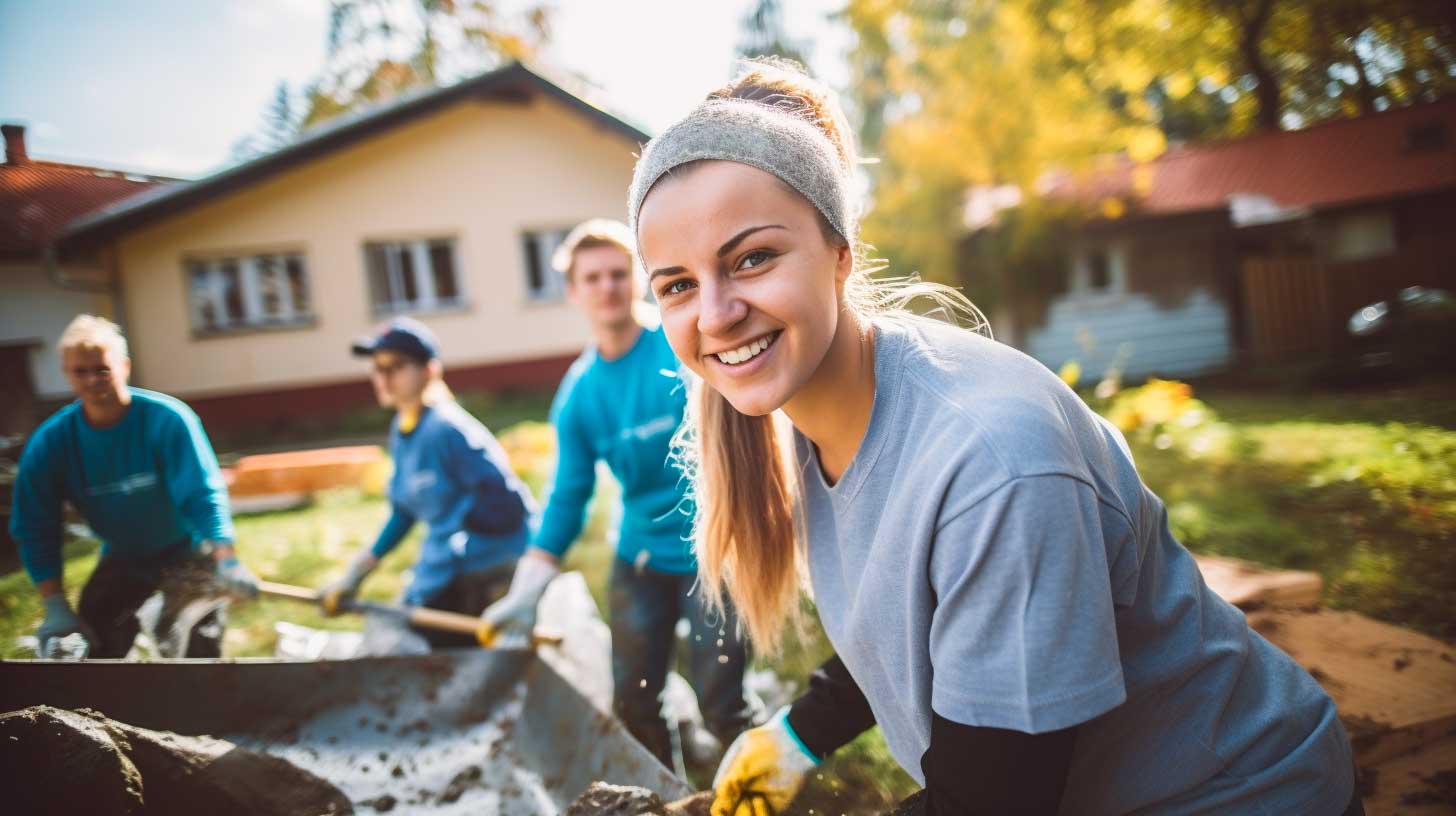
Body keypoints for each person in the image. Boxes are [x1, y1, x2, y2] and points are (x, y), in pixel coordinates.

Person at [629, 59, 1360, 816]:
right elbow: (929, 622)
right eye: (677, 284)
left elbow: (993, 802)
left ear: (840, 252)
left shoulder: (993, 461)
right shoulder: (810, 416)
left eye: (753, 258)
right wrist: (799, 735)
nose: (714, 315)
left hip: (1236, 795)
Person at [479, 219, 755, 767]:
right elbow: (567, 495)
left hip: (713, 550)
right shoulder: (580, 395)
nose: (606, 286)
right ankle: (667, 800)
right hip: (640, 560)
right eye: (592, 277)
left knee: (722, 702)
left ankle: (763, 790)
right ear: (573, 292)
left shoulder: (682, 347)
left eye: (617, 272)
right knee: (634, 699)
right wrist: (527, 590)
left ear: (637, 278)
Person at [10, 314, 258, 659]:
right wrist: (54, 604)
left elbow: (202, 493)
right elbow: (36, 527)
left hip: (186, 550)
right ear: (67, 373)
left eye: (102, 368)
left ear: (124, 366)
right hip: (123, 555)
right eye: (80, 371)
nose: (92, 379)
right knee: (98, 648)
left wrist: (226, 559)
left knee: (199, 650)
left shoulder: (168, 420)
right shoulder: (52, 444)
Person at [319, 317, 536, 651]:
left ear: (429, 371)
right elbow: (405, 509)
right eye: (378, 368)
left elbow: (505, 502)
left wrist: (460, 549)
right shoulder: (403, 429)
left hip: (486, 570)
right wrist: (360, 569)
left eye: (396, 367)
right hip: (449, 568)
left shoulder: (446, 430)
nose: (384, 377)